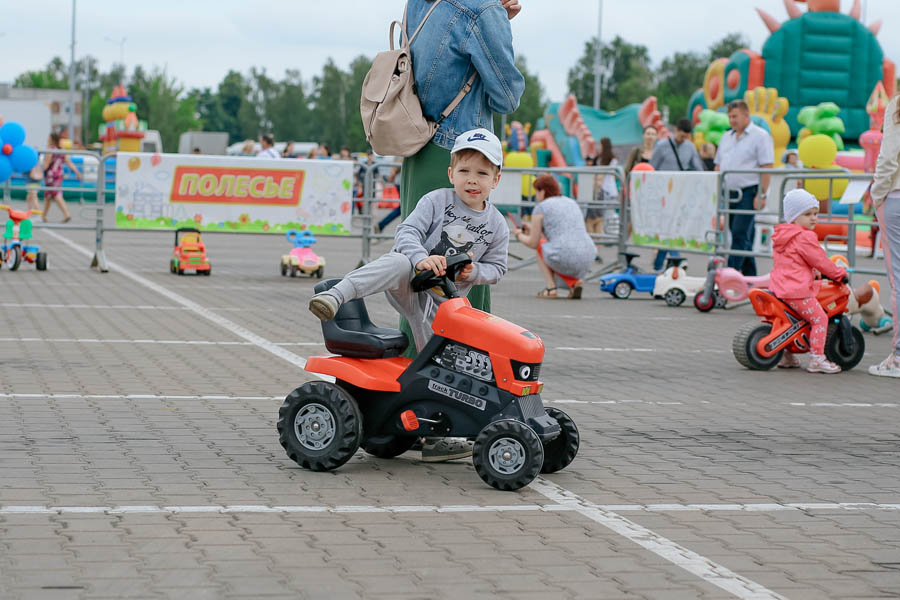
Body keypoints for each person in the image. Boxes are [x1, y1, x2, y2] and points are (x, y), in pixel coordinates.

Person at [308, 129, 509, 460]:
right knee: (400, 260)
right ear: (451, 173)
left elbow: (498, 269)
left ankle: (435, 428)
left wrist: (477, 272)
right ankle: (337, 296)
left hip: (449, 299)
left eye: (482, 173)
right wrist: (422, 258)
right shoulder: (436, 201)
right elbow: (407, 232)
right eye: (464, 171)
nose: (472, 180)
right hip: (412, 282)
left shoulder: (497, 224)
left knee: (444, 356)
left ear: (496, 179)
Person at [398, 0, 524, 352]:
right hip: (464, 149)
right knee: (462, 278)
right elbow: (507, 94)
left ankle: (412, 371)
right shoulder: (481, 8)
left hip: (420, 145)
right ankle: (462, 384)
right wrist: (497, 22)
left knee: (418, 271)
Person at [770, 189, 847, 373]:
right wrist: (838, 274)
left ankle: (787, 355)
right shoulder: (804, 237)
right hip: (797, 291)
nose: (813, 218)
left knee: (793, 321)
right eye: (807, 214)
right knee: (819, 319)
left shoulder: (782, 235)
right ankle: (817, 358)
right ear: (794, 217)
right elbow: (820, 260)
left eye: (815, 213)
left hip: (779, 288)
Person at [715, 99, 774, 276]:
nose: (732, 120)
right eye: (730, 117)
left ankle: (730, 274)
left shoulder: (760, 136)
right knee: (740, 234)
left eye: (735, 116)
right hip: (729, 192)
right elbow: (718, 164)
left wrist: (761, 194)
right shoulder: (727, 136)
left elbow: (766, 167)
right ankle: (750, 277)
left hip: (749, 191)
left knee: (740, 233)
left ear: (746, 115)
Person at [514, 174, 595, 299]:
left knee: (544, 249)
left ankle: (551, 288)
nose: (536, 196)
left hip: (564, 253)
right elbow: (560, 230)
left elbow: (533, 242)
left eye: (537, 191)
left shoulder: (541, 207)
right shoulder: (571, 202)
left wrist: (518, 235)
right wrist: (531, 228)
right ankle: (574, 283)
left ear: (543, 191)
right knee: (553, 250)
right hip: (588, 253)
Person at [866, 92, 900, 377]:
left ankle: (899, 356)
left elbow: (888, 157)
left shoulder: (897, 105)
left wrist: (876, 193)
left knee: (898, 278)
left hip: (897, 196)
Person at [649, 119, 702, 270]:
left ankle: (660, 263)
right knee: (668, 227)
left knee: (672, 228)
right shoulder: (662, 146)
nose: (683, 140)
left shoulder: (690, 148)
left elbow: (698, 168)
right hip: (663, 194)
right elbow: (653, 168)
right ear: (676, 130)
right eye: (681, 136)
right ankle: (676, 259)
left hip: (681, 194)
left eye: (686, 137)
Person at [585, 138, 618, 259]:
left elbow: (602, 176)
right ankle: (597, 249)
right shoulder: (609, 159)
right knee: (599, 221)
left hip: (600, 191)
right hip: (606, 191)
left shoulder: (606, 160)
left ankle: (595, 249)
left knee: (593, 221)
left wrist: (598, 182)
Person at [42, 133, 82, 223]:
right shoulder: (62, 151)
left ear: (52, 140)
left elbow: (47, 163)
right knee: (48, 195)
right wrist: (77, 172)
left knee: (56, 194)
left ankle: (66, 213)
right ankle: (44, 215)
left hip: (51, 175)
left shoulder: (50, 150)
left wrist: (41, 171)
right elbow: (69, 162)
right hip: (59, 174)